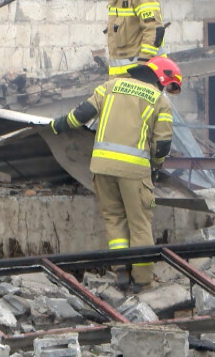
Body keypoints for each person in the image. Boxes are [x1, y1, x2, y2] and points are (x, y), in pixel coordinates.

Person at [48, 57, 182, 292]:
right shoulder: (159, 101)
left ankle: (121, 270)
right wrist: (156, 167)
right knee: (139, 224)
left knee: (114, 218)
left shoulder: (111, 86)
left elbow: (81, 114)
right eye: (168, 86)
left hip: (101, 168)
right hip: (134, 171)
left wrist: (56, 125)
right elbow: (162, 146)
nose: (165, 90)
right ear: (162, 78)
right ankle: (142, 280)